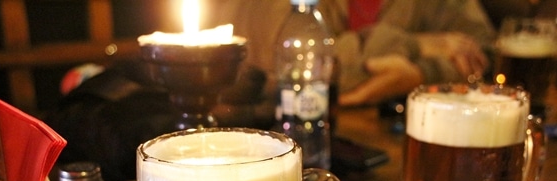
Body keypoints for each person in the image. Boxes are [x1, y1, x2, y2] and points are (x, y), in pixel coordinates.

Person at [202, 0, 496, 107]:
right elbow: (294, 63)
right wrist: (416, 46)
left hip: (379, 150)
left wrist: (421, 76)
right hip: (270, 142)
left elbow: (481, 52)